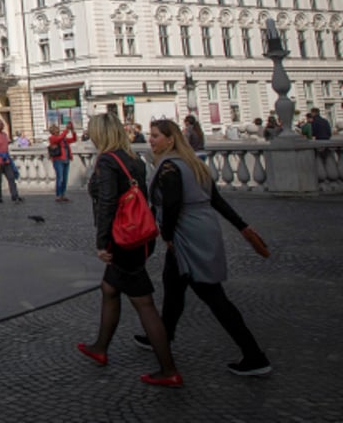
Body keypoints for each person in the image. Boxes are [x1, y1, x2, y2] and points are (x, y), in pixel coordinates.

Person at [137, 119, 272, 376]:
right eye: (150, 135)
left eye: (155, 136)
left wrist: (166, 235)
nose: (151, 140)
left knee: (213, 295)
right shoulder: (193, 164)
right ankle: (162, 335)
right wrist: (242, 227)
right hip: (202, 229)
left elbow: (173, 205)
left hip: (185, 235)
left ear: (170, 139)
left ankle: (254, 355)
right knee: (173, 286)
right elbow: (217, 201)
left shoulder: (169, 168)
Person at [78, 113, 181, 387]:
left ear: (100, 133)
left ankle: (168, 369)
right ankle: (100, 347)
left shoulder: (108, 161)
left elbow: (108, 203)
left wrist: (102, 243)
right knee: (109, 289)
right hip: (138, 236)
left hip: (122, 241)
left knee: (144, 303)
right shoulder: (133, 159)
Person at [0, 119, 21, 204]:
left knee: (11, 178)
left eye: (2, 124)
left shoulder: (5, 135)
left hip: (6, 160)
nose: (2, 126)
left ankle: (15, 196)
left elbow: (7, 146)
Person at [48, 121, 77, 202]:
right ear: (53, 132)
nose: (58, 131)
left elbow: (73, 139)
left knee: (65, 178)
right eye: (56, 130)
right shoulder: (52, 138)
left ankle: (63, 194)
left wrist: (73, 131)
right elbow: (58, 138)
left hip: (66, 159)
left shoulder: (63, 138)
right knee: (60, 178)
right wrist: (66, 130)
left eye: (58, 130)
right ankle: (58, 195)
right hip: (58, 160)